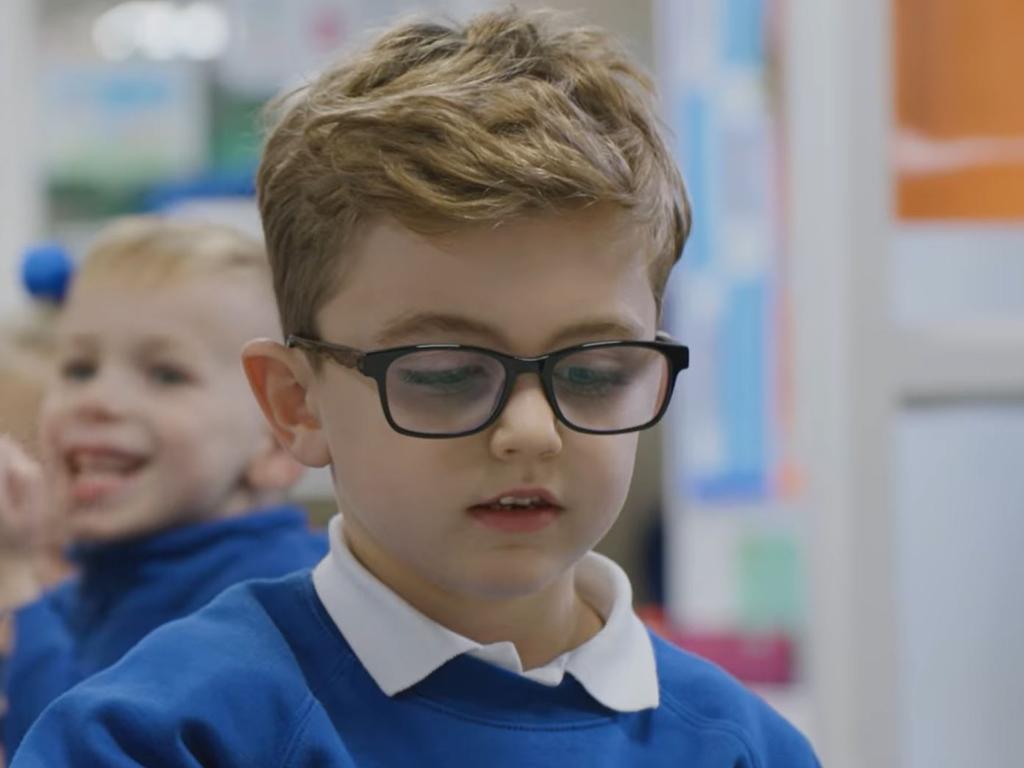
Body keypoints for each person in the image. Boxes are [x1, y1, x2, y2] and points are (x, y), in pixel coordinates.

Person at [13, 9, 819, 766]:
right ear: (295, 403)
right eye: (447, 374)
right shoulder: (159, 734)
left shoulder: (742, 747)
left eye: (593, 371)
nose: (531, 431)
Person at [0, 217, 327, 759]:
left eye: (166, 374)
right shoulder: (93, 589)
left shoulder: (277, 604)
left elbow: (75, 748)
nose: (96, 400)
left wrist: (13, 575)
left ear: (274, 445)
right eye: (79, 368)